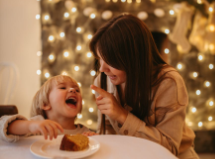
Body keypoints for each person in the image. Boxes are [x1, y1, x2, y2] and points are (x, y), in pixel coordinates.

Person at [89, 14, 199, 159]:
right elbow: (107, 130)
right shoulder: (102, 81)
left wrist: (122, 115)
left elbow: (169, 148)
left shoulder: (168, 82)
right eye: (100, 59)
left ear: (132, 58)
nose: (102, 69)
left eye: (110, 60)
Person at [0, 75, 94, 142]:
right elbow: (3, 126)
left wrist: (95, 138)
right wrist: (29, 126)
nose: (73, 90)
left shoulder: (84, 131)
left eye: (77, 90)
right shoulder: (38, 125)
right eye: (62, 88)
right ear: (45, 103)